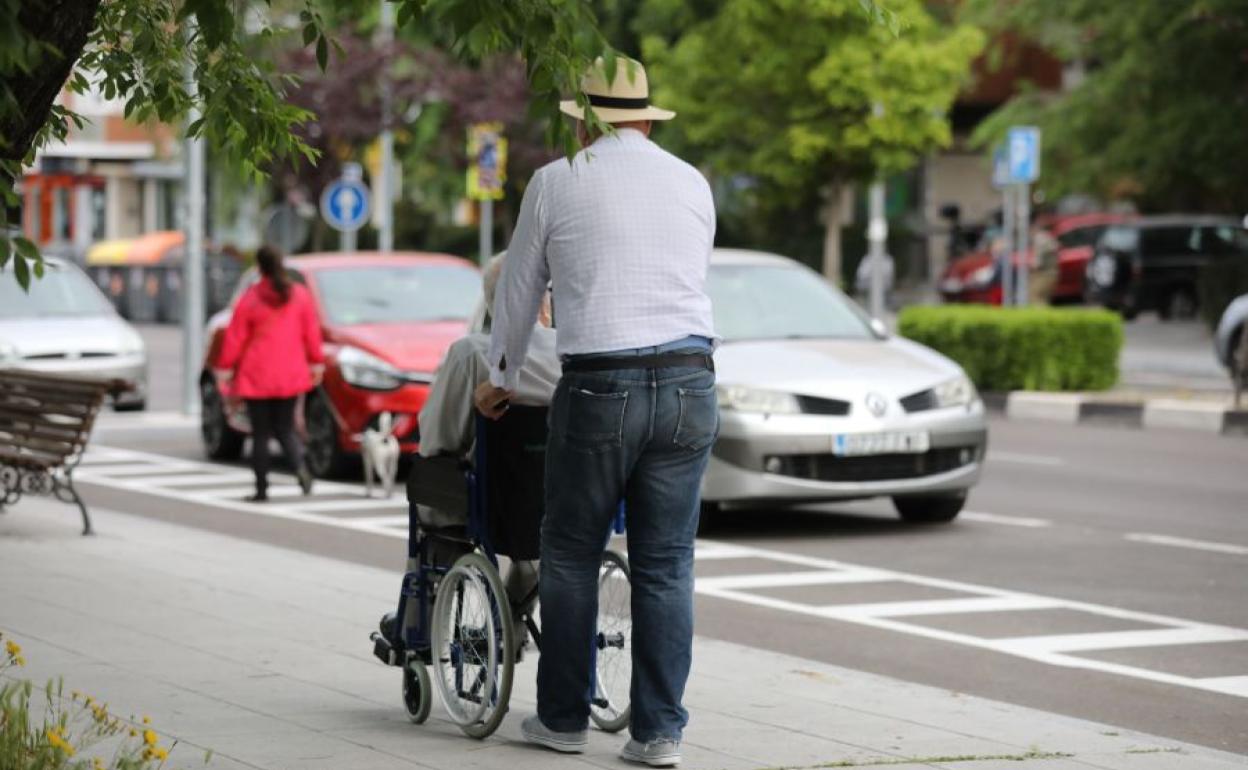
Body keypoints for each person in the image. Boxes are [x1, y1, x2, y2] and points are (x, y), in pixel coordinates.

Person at [475, 57, 717, 767]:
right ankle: (659, 734)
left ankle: (562, 721)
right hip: (690, 380)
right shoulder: (692, 181)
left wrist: (499, 378)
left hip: (599, 384)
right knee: (668, 564)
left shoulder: (556, 181)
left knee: (572, 551)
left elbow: (518, 292)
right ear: (646, 117)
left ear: (583, 120)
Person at [415, 253, 560, 616]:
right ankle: (515, 614)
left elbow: (438, 439)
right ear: (544, 302)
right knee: (533, 538)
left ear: (494, 302)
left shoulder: (472, 353)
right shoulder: (571, 354)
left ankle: (423, 618)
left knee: (433, 497)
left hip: (493, 499)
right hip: (562, 494)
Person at [216, 245, 323, 502]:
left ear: (259, 267)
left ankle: (262, 489)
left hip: (257, 374)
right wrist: (316, 362)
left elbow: (235, 336)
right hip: (289, 373)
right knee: (286, 428)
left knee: (261, 434)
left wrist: (225, 367)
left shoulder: (251, 297)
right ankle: (300, 468)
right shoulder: (299, 295)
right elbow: (311, 332)